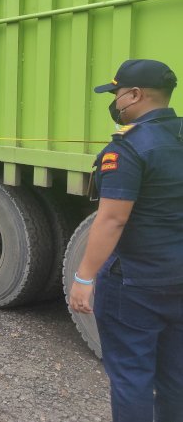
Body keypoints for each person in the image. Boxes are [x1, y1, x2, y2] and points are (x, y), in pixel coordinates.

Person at [69, 59, 183, 422]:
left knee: (132, 377)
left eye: (117, 94)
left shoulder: (127, 149)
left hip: (136, 283)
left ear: (135, 94)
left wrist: (84, 278)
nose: (116, 102)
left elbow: (113, 219)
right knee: (176, 377)